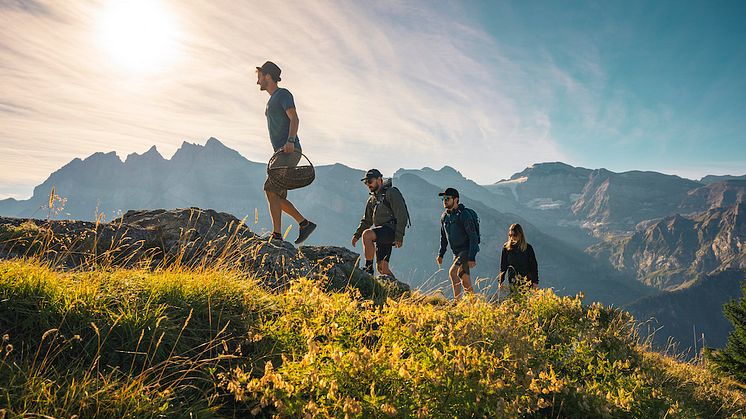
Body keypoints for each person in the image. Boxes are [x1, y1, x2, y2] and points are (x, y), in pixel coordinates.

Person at [256, 61, 316, 244]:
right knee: (275, 194)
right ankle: (304, 224)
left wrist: (290, 141)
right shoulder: (272, 99)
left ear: (267, 76)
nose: (257, 81)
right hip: (281, 151)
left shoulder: (283, 94)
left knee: (269, 188)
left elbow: (294, 118)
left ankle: (277, 235)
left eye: (259, 76)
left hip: (289, 150)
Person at [352, 169, 409, 277]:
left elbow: (402, 214)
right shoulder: (372, 199)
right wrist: (356, 235)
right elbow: (367, 220)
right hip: (381, 233)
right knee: (382, 268)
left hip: (391, 230)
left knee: (367, 235)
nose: (368, 184)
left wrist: (399, 236)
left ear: (379, 179)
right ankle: (400, 291)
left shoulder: (391, 192)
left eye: (370, 181)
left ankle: (368, 269)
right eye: (366, 182)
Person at [436, 187, 480, 301]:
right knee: (465, 279)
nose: (445, 201)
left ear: (456, 199)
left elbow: (473, 236)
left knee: (452, 272)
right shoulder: (444, 217)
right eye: (443, 199)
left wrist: (472, 257)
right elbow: (443, 237)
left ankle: (457, 302)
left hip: (466, 250)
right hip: (456, 252)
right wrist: (441, 254)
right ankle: (473, 304)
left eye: (447, 198)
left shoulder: (464, 215)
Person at [499, 223, 539, 290]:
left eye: (514, 235)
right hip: (512, 281)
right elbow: (503, 265)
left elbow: (533, 266)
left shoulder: (528, 248)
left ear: (520, 234)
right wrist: (501, 281)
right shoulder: (506, 248)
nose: (512, 237)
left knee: (525, 299)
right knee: (514, 299)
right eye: (510, 235)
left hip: (527, 281)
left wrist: (535, 281)